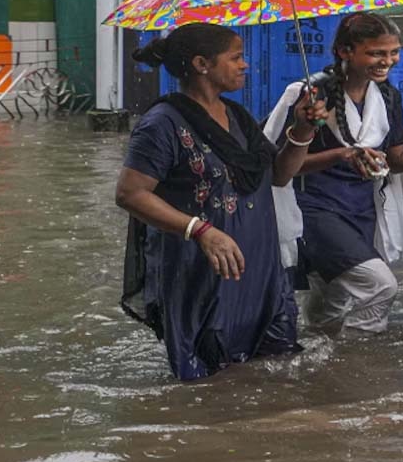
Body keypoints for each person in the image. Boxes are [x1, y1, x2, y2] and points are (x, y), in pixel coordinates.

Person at [115, 23, 326, 381]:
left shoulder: (237, 116)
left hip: (259, 266)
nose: (246, 65)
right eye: (237, 58)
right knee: (210, 380)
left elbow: (278, 175)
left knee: (275, 370)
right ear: (202, 64)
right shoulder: (161, 125)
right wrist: (200, 231)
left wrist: (303, 129)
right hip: (204, 271)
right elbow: (130, 194)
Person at [266, 13, 403, 336]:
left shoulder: (387, 97)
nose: (388, 61)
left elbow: (396, 159)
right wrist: (342, 152)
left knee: (331, 305)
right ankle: (355, 367)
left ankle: (316, 376)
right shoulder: (312, 96)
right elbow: (283, 167)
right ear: (345, 52)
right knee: (381, 286)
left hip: (361, 211)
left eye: (393, 52)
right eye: (377, 53)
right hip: (315, 211)